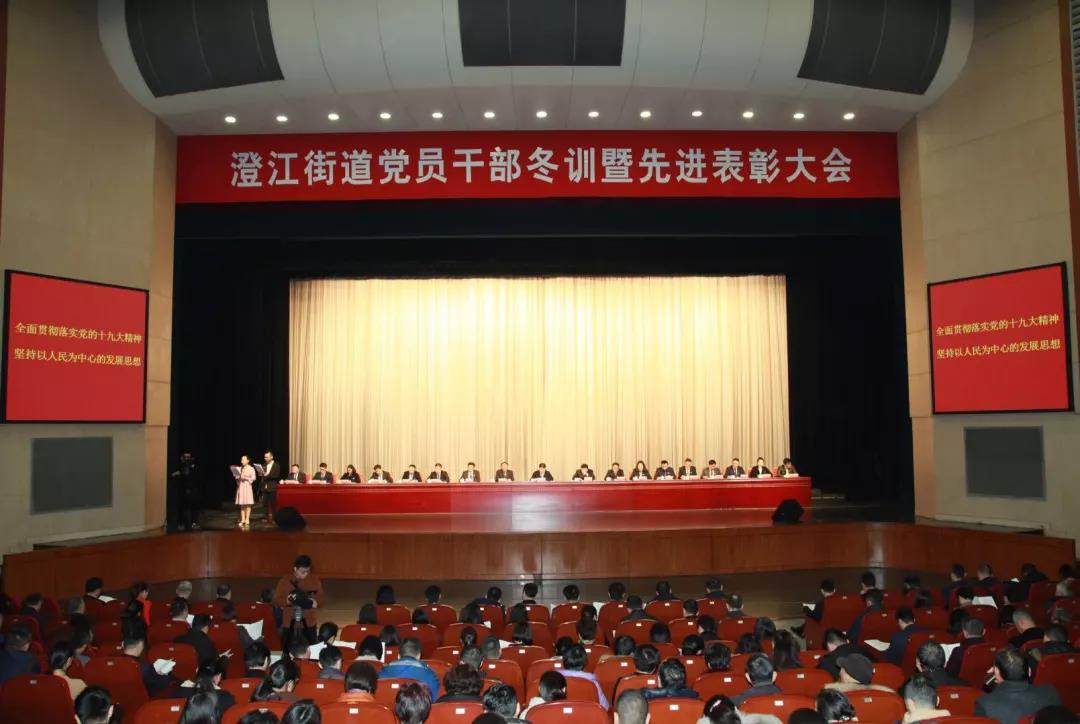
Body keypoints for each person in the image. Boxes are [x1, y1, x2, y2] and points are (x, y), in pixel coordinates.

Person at [975, 648, 1061, 724]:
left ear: (996, 672)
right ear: (1029, 671)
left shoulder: (985, 704)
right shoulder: (1050, 691)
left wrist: (994, 681)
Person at [273, 554, 322, 647]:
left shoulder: (314, 580)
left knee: (311, 649)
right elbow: (276, 600)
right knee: (288, 649)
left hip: (309, 623)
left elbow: (321, 598)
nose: (305, 574)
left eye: (308, 571)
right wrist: (287, 601)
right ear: (295, 569)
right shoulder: (285, 580)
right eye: (302, 572)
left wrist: (316, 602)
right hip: (289, 623)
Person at [122, 626, 175, 697]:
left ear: (122, 644)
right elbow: (162, 684)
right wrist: (163, 674)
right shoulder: (144, 667)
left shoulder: (111, 663)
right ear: (141, 644)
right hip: (143, 699)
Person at [824, 653, 893, 693]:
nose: (839, 672)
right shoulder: (884, 695)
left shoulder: (831, 695)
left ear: (846, 675)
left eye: (842, 668)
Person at [170, 451, 202, 532]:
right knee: (183, 508)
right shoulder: (179, 466)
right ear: (182, 458)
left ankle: (193, 523)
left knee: (194, 507)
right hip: (183, 490)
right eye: (186, 457)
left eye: (189, 457)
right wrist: (177, 474)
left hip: (193, 490)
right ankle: (183, 524)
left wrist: (192, 467)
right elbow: (173, 475)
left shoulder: (193, 467)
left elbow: (198, 476)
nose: (187, 459)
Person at [235, 454, 256, 528]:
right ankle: (243, 519)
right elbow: (237, 478)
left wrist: (246, 478)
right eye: (241, 459)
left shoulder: (251, 468)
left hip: (247, 486)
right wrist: (237, 477)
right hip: (241, 486)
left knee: (248, 503)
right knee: (242, 504)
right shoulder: (240, 468)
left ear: (248, 460)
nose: (242, 461)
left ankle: (247, 519)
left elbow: (253, 478)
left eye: (244, 459)